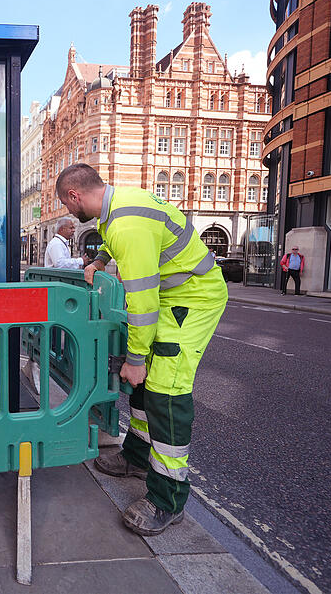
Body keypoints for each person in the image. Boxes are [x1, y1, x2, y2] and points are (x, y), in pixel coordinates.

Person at [55, 163, 227, 536]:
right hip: (173, 297)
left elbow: (143, 303)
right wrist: (100, 258)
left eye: (69, 207)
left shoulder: (126, 223)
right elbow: (111, 238)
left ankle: (168, 500)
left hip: (192, 300)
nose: (70, 214)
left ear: (75, 196)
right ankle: (136, 456)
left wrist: (135, 359)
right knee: (144, 385)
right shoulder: (118, 205)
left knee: (166, 392)